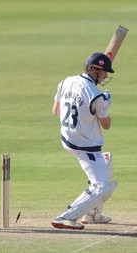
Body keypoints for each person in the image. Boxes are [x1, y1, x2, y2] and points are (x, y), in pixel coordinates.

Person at [51, 52, 118, 230]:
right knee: (104, 187)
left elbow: (55, 111)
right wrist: (106, 105)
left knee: (107, 161)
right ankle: (66, 217)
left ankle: (92, 214)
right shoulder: (96, 95)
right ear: (96, 70)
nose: (105, 76)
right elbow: (107, 125)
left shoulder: (66, 81)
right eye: (104, 73)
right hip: (85, 146)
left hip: (67, 138)